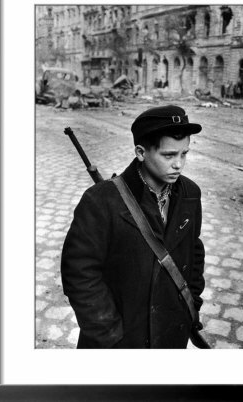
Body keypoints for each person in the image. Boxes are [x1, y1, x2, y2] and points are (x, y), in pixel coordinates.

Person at [61, 105, 206, 349]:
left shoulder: (190, 192)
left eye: (184, 154)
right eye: (169, 155)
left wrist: (191, 302)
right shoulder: (101, 200)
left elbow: (194, 251)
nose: (179, 164)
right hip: (123, 340)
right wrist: (108, 334)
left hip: (171, 334)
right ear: (141, 152)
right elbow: (79, 272)